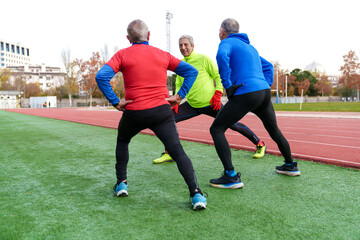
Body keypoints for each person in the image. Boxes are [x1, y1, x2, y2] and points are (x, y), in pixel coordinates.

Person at [95, 19, 206, 210]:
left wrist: (115, 101)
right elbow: (191, 71)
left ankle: (121, 183)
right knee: (177, 151)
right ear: (148, 35)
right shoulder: (162, 54)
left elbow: (101, 76)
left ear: (128, 38)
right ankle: (196, 194)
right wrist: (179, 96)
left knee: (123, 141)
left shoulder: (122, 54)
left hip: (134, 112)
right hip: (161, 112)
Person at [209, 18, 300, 189]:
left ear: (222, 32)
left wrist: (228, 86)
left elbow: (221, 56)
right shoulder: (250, 48)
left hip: (246, 92)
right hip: (263, 93)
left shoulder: (226, 43)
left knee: (216, 128)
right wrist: (264, 83)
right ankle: (290, 165)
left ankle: (230, 176)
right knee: (274, 129)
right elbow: (268, 66)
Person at [153, 35, 266, 164]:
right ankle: (170, 152)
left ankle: (260, 143)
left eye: (186, 45)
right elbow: (179, 83)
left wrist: (218, 94)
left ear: (192, 46)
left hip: (211, 104)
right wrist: (177, 99)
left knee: (233, 124)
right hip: (192, 105)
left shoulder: (203, 59)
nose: (183, 48)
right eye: (180, 45)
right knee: (169, 120)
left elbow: (217, 76)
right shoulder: (181, 64)